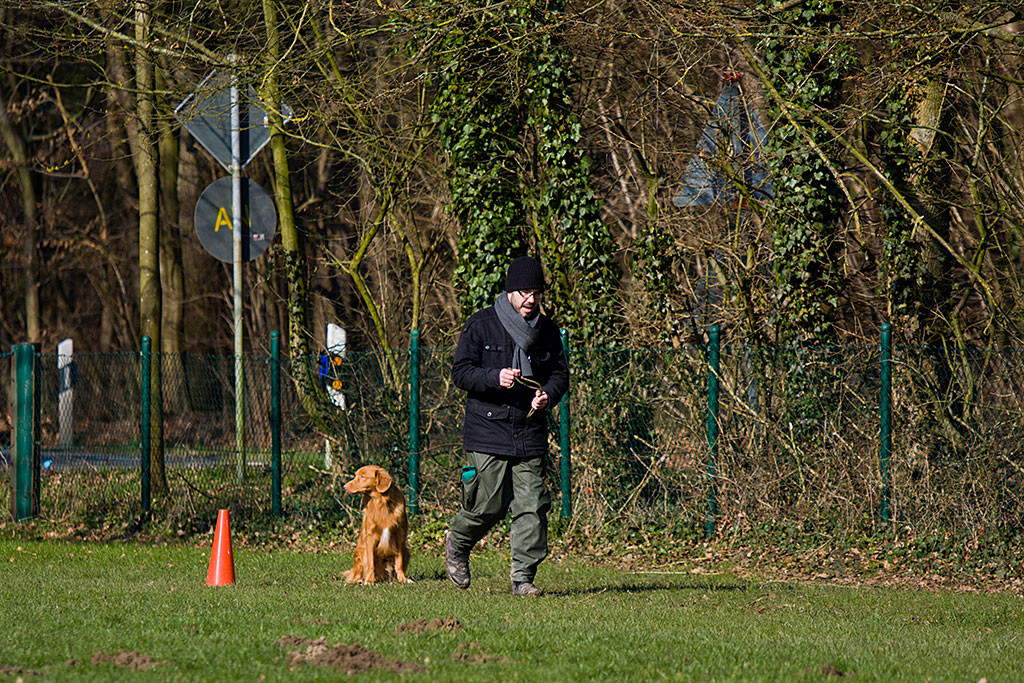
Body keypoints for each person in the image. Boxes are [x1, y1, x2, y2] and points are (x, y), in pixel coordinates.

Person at [445, 255, 569, 597]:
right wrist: (493, 377)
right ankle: (458, 541)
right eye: (525, 292)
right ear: (511, 292)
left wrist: (547, 395)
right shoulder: (480, 325)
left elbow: (559, 374)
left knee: (533, 505)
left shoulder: (547, 331)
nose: (532, 299)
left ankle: (523, 579)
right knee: (490, 505)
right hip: (487, 430)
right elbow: (461, 373)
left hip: (529, 430)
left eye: (537, 293)